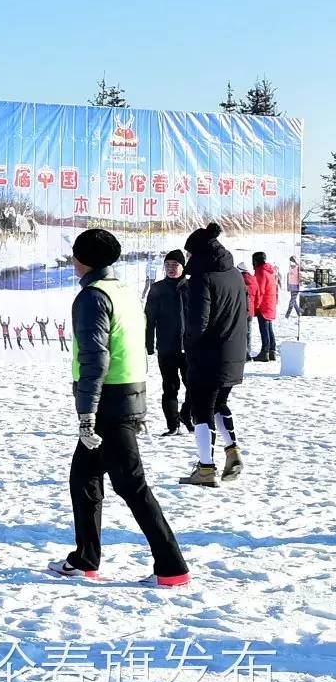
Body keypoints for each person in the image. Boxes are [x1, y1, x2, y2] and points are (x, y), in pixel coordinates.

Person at [47, 229, 190, 588]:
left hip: (108, 403)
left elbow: (95, 358)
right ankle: (85, 559)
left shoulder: (92, 296)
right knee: (83, 478)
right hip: (128, 392)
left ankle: (172, 566)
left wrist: (87, 414)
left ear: (81, 259)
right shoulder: (122, 290)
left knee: (132, 484)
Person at [179, 224, 247, 486]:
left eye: (189, 253)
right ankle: (232, 451)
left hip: (208, 355)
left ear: (197, 253)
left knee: (202, 410)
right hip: (233, 353)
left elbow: (198, 324)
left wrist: (188, 350)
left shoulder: (202, 278)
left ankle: (206, 468)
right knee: (219, 404)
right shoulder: (234, 273)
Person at [144, 249, 189, 436]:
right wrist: (148, 343)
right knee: (170, 387)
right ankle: (173, 425)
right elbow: (149, 318)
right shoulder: (157, 288)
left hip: (190, 348)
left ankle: (187, 415)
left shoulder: (192, 287)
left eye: (175, 265)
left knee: (193, 386)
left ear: (183, 267)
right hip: (166, 347)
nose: (171, 268)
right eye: (168, 265)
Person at [252, 252, 279, 362]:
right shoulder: (269, 271)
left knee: (264, 328)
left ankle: (265, 351)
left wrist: (256, 305)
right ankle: (272, 351)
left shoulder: (261, 272)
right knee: (269, 327)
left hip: (263, 304)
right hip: (270, 303)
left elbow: (259, 291)